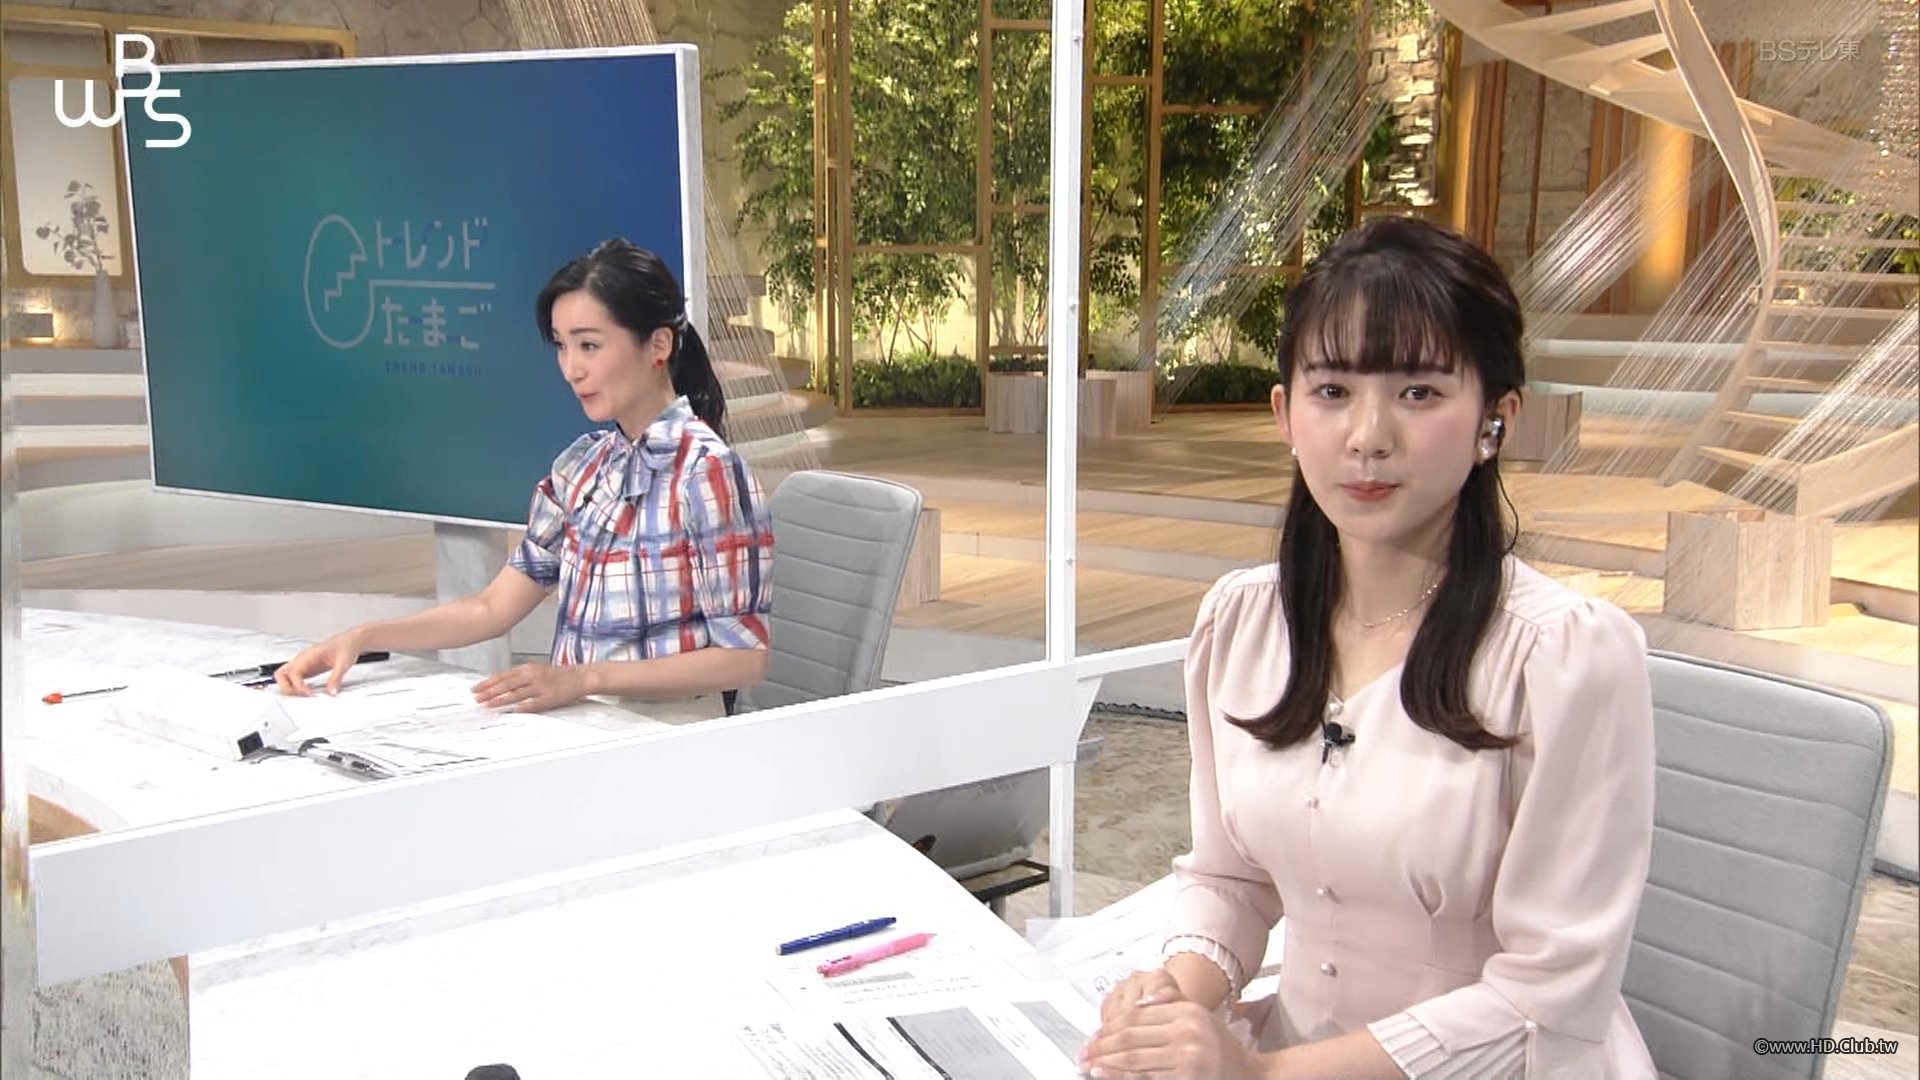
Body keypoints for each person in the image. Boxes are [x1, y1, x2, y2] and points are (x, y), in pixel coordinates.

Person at [1079, 217, 1656, 1080]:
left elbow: (1550, 999)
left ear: (1496, 421)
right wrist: (1177, 995)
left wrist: (1261, 1076)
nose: (1367, 436)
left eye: (1419, 392)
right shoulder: (1242, 624)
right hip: (1291, 1050)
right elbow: (1231, 879)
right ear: (1285, 414)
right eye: (1333, 390)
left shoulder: (1565, 657)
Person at [275, 238, 774, 713]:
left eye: (589, 345)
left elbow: (744, 658)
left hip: (668, 737)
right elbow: (491, 608)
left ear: (658, 344)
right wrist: (363, 637)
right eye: (561, 346)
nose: (571, 369)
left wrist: (584, 679)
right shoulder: (583, 466)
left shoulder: (708, 472)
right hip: (580, 723)